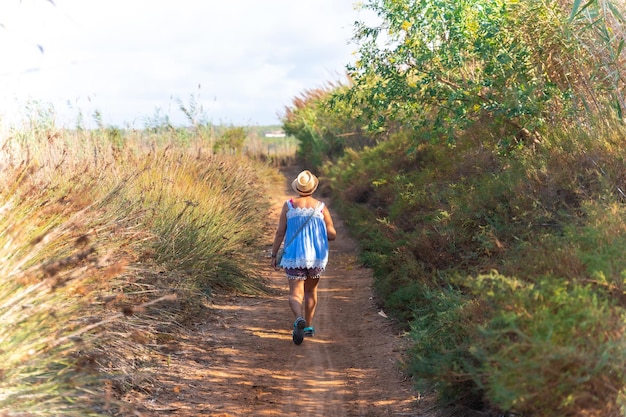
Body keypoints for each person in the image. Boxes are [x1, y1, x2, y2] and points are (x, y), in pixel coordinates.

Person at [270, 170, 337, 345]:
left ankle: (298, 318)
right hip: (316, 257)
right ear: (313, 187)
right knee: (310, 292)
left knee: (294, 293)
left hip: (294, 255)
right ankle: (308, 326)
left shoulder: (289, 205)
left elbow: (279, 233)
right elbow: (332, 234)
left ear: (297, 187)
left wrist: (274, 253)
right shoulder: (321, 207)